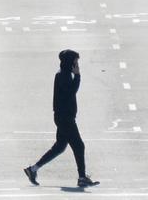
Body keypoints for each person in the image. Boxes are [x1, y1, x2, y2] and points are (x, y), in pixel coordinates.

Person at [23, 49, 98, 188]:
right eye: (75, 62)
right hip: (65, 118)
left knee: (60, 147)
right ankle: (82, 177)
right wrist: (78, 76)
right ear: (70, 62)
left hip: (63, 117)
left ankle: (33, 170)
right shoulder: (64, 75)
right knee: (79, 146)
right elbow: (71, 92)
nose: (77, 65)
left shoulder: (63, 74)